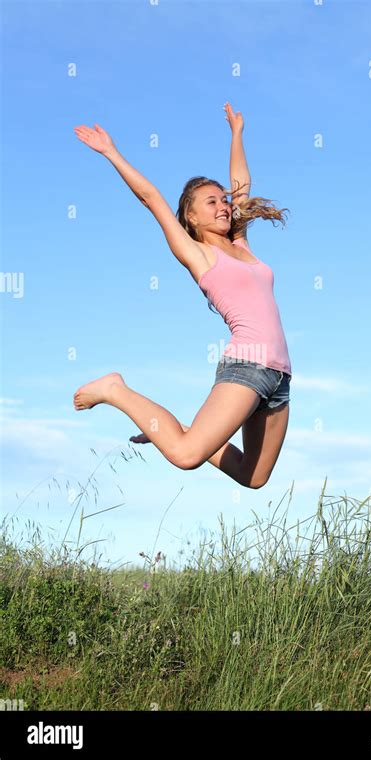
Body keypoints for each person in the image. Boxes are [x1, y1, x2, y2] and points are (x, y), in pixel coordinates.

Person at [73, 103, 292, 489]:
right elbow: (151, 198)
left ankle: (178, 430)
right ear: (191, 217)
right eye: (212, 202)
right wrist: (111, 152)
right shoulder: (198, 255)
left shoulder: (240, 243)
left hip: (280, 375)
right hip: (247, 365)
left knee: (253, 477)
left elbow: (240, 186)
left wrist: (237, 134)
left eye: (223, 201)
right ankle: (115, 389)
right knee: (186, 455)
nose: (224, 205)